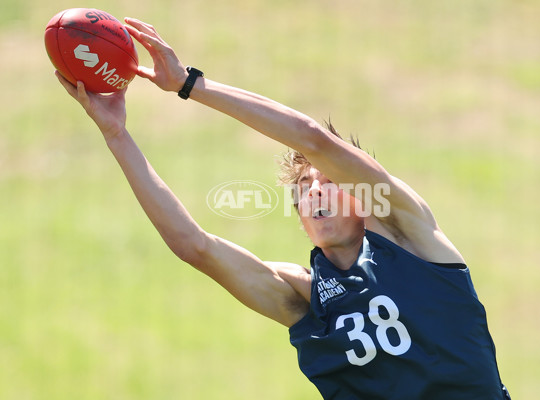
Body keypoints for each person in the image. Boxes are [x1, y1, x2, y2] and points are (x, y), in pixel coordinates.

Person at [55, 17, 510, 400]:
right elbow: (194, 246)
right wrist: (115, 134)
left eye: (329, 182)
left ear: (364, 198)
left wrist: (189, 85)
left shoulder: (412, 237)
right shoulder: (302, 295)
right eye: (305, 189)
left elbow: (312, 138)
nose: (315, 191)